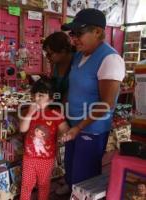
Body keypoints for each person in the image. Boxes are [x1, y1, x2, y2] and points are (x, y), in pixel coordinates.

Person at [58, 8, 125, 194]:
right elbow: (73, 88)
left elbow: (107, 104)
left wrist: (79, 127)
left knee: (84, 174)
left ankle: (79, 193)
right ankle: (71, 188)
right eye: (73, 34)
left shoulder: (110, 59)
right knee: (70, 164)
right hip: (74, 124)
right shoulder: (79, 55)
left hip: (91, 128)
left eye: (79, 33)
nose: (74, 38)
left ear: (97, 32)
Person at [19, 78, 70, 200]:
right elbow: (22, 129)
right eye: (34, 95)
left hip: (47, 159)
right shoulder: (27, 111)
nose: (36, 98)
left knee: (44, 185)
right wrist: (29, 115)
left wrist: (65, 135)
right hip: (29, 157)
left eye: (41, 95)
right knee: (26, 185)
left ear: (51, 99)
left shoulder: (56, 114)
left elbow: (65, 129)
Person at [42, 32, 75, 102]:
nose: (47, 57)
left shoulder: (77, 63)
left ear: (63, 51)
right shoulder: (55, 64)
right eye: (46, 54)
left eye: (50, 54)